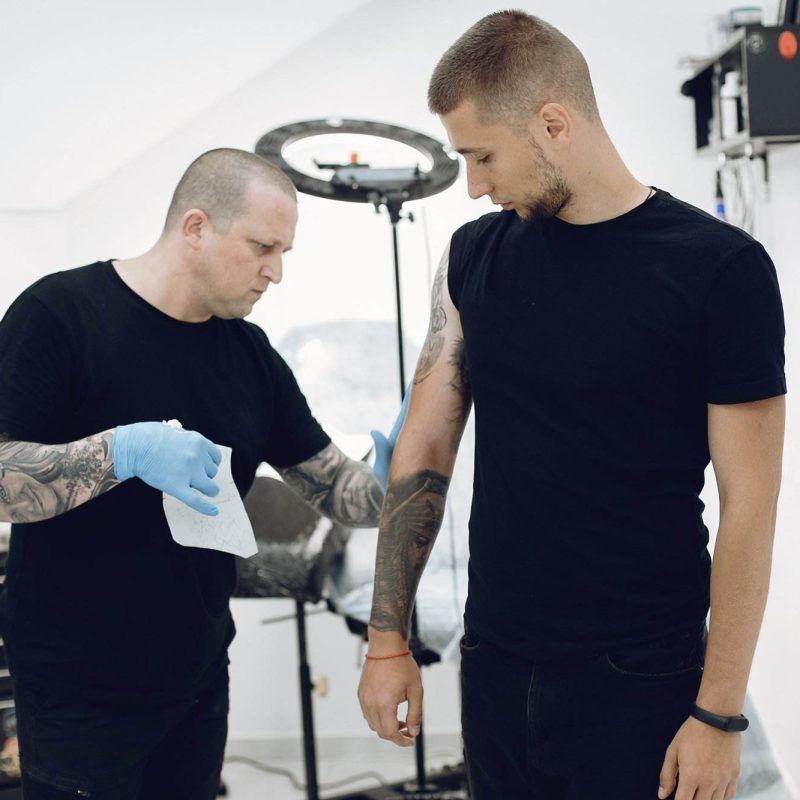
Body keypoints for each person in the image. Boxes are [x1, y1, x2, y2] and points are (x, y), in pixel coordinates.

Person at [358, 11, 785, 800]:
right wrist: (386, 639)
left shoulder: (720, 271)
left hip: (641, 676)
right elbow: (424, 447)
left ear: (553, 124)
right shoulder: (473, 256)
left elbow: (750, 507)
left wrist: (719, 715)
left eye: (481, 156)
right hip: (495, 663)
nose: (474, 185)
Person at [0, 148, 401, 800]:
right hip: (76, 689)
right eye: (262, 247)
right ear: (195, 228)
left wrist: (398, 471)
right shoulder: (60, 316)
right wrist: (121, 453)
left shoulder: (248, 356)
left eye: (284, 254)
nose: (274, 273)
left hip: (196, 678)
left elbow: (337, 491)